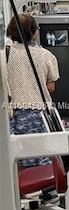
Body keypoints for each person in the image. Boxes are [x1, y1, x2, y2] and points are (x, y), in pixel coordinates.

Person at [4, 13, 59, 167]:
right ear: (33, 32)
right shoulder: (46, 56)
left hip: (12, 116)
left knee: (16, 161)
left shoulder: (5, 54)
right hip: (38, 117)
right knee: (41, 160)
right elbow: (50, 87)